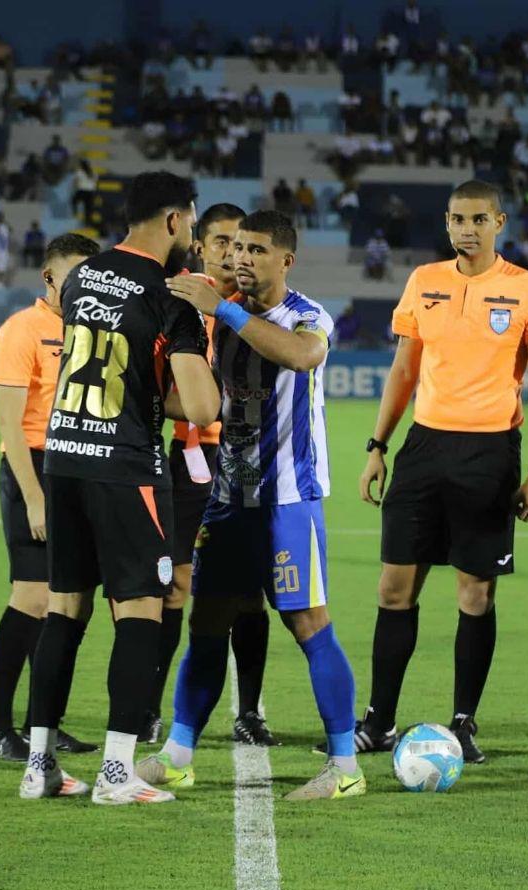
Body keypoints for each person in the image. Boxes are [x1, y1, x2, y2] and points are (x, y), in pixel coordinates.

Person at [139, 209, 364, 802]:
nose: (241, 258)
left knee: (308, 624)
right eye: (236, 247)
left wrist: (225, 311)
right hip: (228, 500)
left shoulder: (307, 317)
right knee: (207, 623)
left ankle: (345, 766)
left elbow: (301, 357)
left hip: (289, 500)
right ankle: (179, 755)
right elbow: (202, 402)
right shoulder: (219, 314)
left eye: (256, 250)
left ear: (284, 261)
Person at [20, 171, 220, 804]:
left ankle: (39, 766)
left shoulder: (83, 275)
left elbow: (117, 366)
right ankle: (115, 774)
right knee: (139, 612)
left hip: (65, 456)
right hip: (125, 466)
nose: (191, 232)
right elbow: (201, 404)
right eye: (191, 221)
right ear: (172, 221)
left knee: (65, 609)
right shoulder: (170, 296)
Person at [349, 180, 528, 762]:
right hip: (422, 449)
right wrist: (377, 446)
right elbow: (403, 371)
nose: (467, 229)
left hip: (490, 455)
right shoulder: (425, 282)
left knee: (474, 594)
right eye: (457, 219)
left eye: (478, 219)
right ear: (446, 223)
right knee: (394, 590)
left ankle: (464, 723)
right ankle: (379, 720)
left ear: (500, 222)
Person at [140, 202, 279, 748]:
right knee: (174, 588)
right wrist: (200, 408)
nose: (231, 252)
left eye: (241, 243)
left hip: (245, 462)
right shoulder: (179, 298)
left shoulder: (256, 308)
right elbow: (152, 383)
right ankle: (151, 709)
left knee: (248, 595)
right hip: (183, 461)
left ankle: (249, 712)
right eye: (220, 241)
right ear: (200, 246)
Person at [0, 232, 102, 764]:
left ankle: (43, 726)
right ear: (49, 277)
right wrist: (34, 498)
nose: (83, 285)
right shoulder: (22, 330)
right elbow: (10, 427)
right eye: (73, 275)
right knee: (31, 598)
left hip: (79, 465)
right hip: (32, 466)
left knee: (66, 605)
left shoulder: (94, 328)